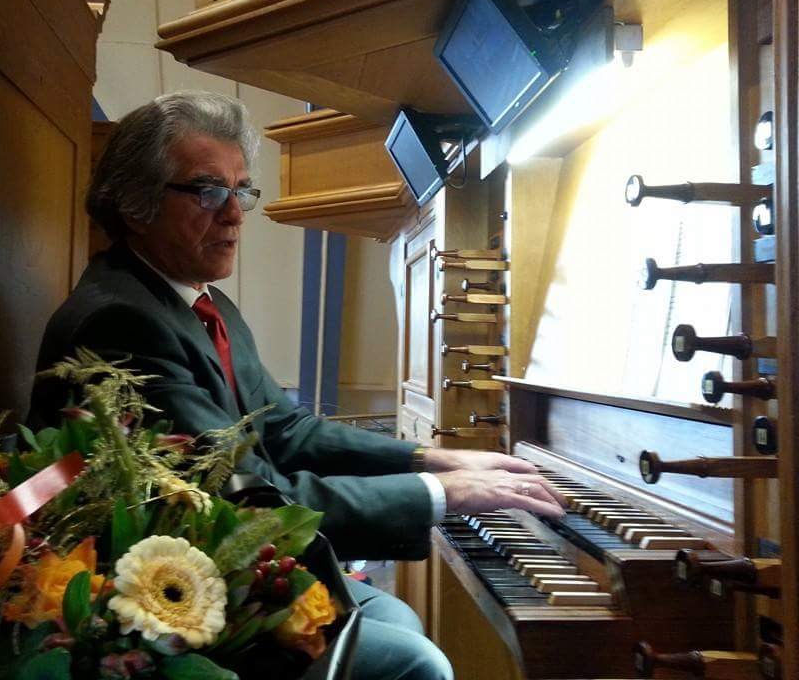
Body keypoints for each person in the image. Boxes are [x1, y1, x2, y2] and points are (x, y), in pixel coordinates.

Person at [29, 90, 564, 680]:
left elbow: (285, 429)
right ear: (136, 205)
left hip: (220, 561)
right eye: (208, 191)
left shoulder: (204, 303)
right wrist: (442, 494)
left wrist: (429, 459)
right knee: (417, 663)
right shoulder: (121, 322)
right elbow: (242, 501)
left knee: (399, 621)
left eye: (241, 190)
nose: (234, 215)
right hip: (152, 597)